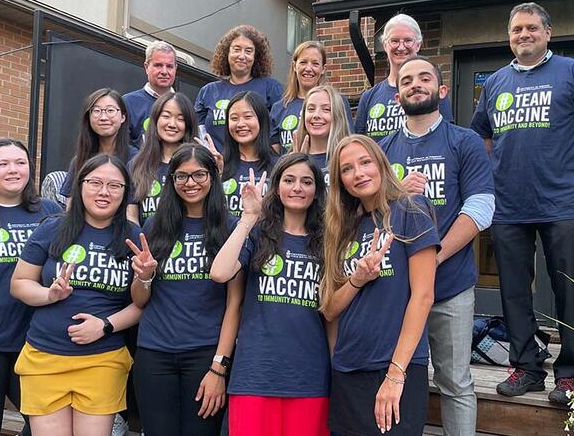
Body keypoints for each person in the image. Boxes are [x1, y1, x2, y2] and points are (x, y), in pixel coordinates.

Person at [380, 56, 494, 436]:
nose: (415, 84)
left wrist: (433, 257)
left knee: (455, 382)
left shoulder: (465, 142)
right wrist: (395, 194)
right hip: (396, 289)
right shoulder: (382, 150)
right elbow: (368, 212)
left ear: (441, 91)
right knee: (395, 372)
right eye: (407, 80)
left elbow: (480, 209)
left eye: (424, 78)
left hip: (450, 286)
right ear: (397, 96)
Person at [471, 2, 574, 404]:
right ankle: (527, 367)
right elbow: (484, 136)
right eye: (516, 30)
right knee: (514, 291)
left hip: (562, 201)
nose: (524, 35)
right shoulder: (495, 82)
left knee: (568, 290)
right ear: (509, 36)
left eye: (532, 28)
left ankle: (569, 374)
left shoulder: (568, 71)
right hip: (509, 204)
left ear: (548, 33)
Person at [10, 154, 144, 436]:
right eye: (95, 182)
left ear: (125, 192)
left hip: (102, 360)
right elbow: (20, 283)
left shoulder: (133, 236)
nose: (104, 192)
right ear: (80, 186)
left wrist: (105, 325)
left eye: (114, 185)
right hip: (44, 357)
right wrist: (50, 294)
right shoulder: (52, 228)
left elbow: (141, 305)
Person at [321, 135, 440, 435]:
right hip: (348, 369)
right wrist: (357, 280)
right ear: (341, 181)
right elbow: (330, 309)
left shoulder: (411, 209)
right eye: (347, 169)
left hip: (394, 367)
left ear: (381, 165)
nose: (358, 173)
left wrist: (395, 375)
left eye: (365, 162)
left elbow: (423, 297)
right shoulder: (343, 228)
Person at [211, 153, 330, 436]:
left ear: (316, 191)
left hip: (309, 377)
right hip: (255, 374)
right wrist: (250, 217)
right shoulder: (258, 234)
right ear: (277, 188)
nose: (298, 188)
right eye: (289, 180)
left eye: (306, 182)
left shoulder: (327, 239)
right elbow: (220, 272)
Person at [130, 143, 243, 436]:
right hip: (154, 352)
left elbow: (235, 304)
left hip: (205, 353)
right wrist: (143, 277)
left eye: (199, 175)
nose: (190, 183)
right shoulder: (156, 225)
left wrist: (219, 367)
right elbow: (140, 299)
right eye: (181, 176)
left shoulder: (228, 228)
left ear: (212, 177)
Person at [0, 139, 61, 436]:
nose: (13, 170)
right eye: (3, 164)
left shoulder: (49, 212)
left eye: (20, 163)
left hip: (36, 340)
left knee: (45, 426)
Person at [355, 14, 453, 142]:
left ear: (418, 45)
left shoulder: (432, 91)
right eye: (394, 41)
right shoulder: (369, 97)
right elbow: (360, 143)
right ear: (385, 46)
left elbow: (447, 137)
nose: (401, 47)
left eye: (408, 40)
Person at [195, 25, 283, 152]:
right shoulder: (208, 91)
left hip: (257, 166)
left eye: (248, 51)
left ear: (256, 56)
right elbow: (198, 132)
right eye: (237, 49)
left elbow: (277, 134)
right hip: (215, 166)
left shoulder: (270, 88)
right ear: (227, 53)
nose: (242, 56)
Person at [127, 91, 202, 226]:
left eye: (180, 119)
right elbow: (131, 215)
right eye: (166, 116)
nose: (172, 124)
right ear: (155, 120)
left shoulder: (199, 164)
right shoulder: (136, 164)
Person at [270, 41, 353, 153]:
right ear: (295, 66)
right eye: (303, 62)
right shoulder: (279, 108)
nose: (309, 68)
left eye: (315, 63)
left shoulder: (338, 102)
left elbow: (348, 142)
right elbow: (274, 155)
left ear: (323, 69)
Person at [61, 88, 138, 198]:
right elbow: (71, 204)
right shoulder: (80, 160)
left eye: (110, 110)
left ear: (123, 117)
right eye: (96, 111)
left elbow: (133, 207)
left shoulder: (135, 160)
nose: (103, 117)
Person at [222, 91, 279, 217]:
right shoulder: (219, 165)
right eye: (234, 118)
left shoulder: (279, 166)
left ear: (261, 120)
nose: (241, 124)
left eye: (248, 117)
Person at [292, 84, 351, 186]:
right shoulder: (289, 160)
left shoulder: (348, 157)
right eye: (311, 109)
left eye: (326, 109)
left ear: (338, 115)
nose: (316, 115)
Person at [123, 41, 177, 148]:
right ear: (146, 67)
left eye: (169, 66)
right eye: (158, 65)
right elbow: (122, 146)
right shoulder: (127, 103)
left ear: (176, 68)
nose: (164, 71)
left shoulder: (184, 106)